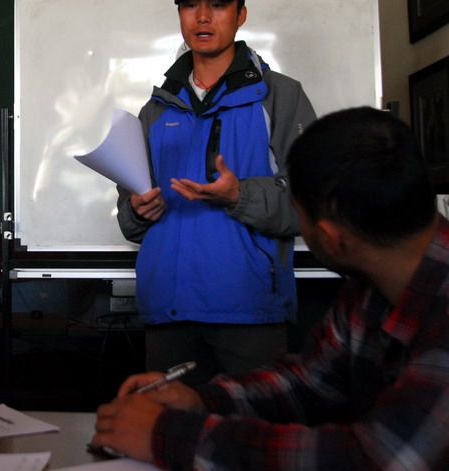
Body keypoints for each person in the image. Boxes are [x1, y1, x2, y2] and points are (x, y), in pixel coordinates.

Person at [94, 107, 449, 470]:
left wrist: (168, 436)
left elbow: (375, 459)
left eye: (298, 213)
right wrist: (203, 400)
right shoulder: (371, 285)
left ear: (330, 238)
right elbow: (312, 380)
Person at [116, 0, 317, 383]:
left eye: (218, 5)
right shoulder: (154, 109)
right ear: (180, 16)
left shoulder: (281, 96)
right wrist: (138, 209)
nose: (203, 17)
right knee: (168, 438)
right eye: (190, 6)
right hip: (168, 310)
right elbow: (130, 221)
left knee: (254, 440)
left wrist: (237, 195)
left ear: (241, 15)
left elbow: (309, 205)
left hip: (250, 311)